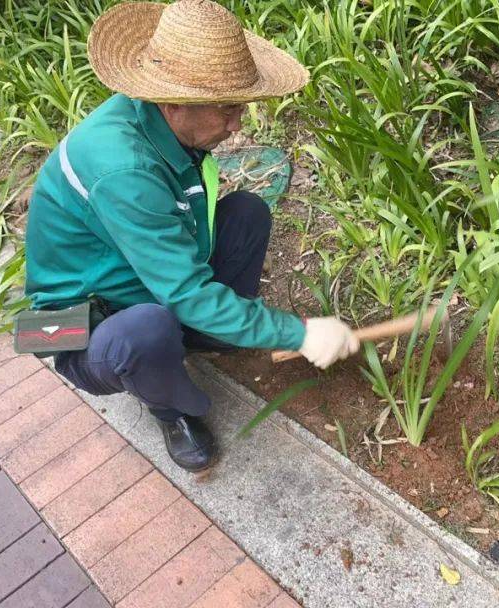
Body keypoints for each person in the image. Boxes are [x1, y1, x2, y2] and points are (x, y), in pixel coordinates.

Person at [22, 0, 359, 473]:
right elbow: (183, 290)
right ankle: (170, 410)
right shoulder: (123, 168)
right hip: (87, 324)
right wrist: (300, 333)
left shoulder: (162, 125)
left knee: (246, 214)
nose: (238, 123)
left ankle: (203, 332)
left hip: (139, 279)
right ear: (174, 99)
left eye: (240, 107)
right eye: (227, 110)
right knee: (147, 332)